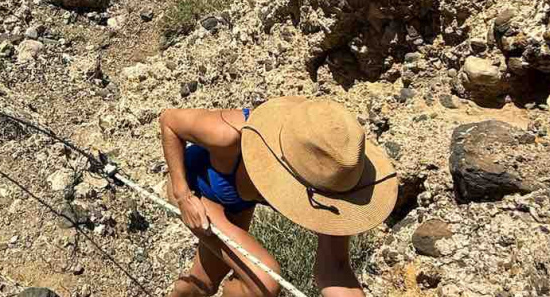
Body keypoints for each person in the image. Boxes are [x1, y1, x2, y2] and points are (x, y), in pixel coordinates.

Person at [160, 97, 398, 297]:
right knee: (263, 280)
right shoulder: (229, 134)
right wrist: (183, 196)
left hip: (238, 203)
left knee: (202, 285)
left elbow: (335, 269)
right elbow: (169, 121)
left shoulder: (332, 179)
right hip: (195, 189)